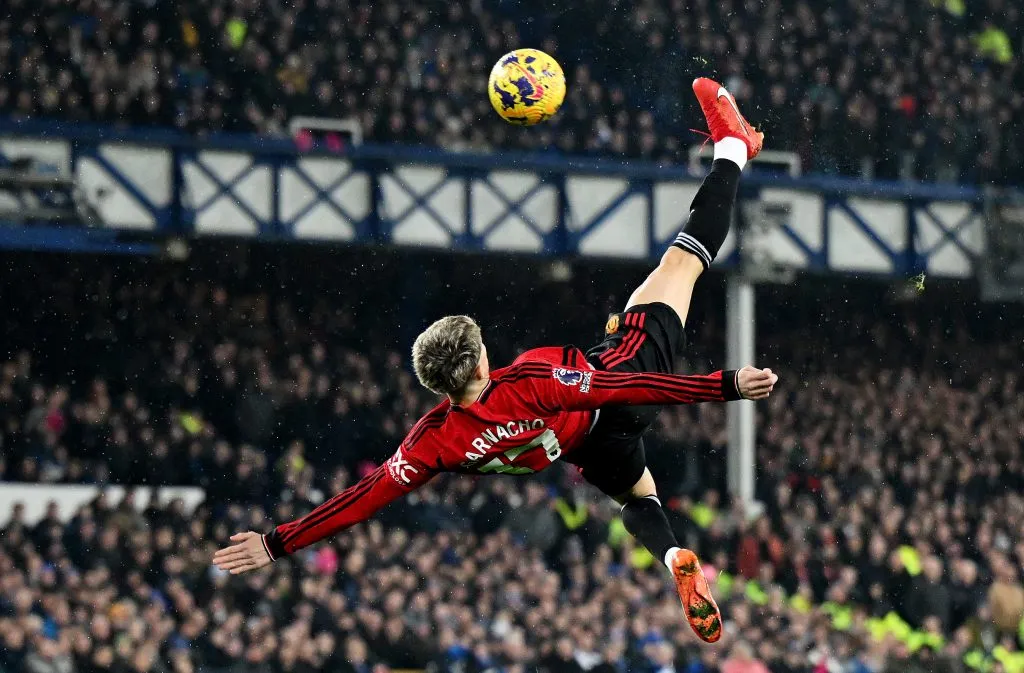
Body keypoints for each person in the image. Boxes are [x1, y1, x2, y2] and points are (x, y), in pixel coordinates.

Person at [213, 77, 768, 645]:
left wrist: (277, 543)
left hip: (584, 446)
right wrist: (725, 385)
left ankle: (673, 551)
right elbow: (617, 389)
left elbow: (361, 499)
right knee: (684, 261)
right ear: (479, 361)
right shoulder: (529, 378)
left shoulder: (434, 441)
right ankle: (733, 147)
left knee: (638, 496)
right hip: (617, 388)